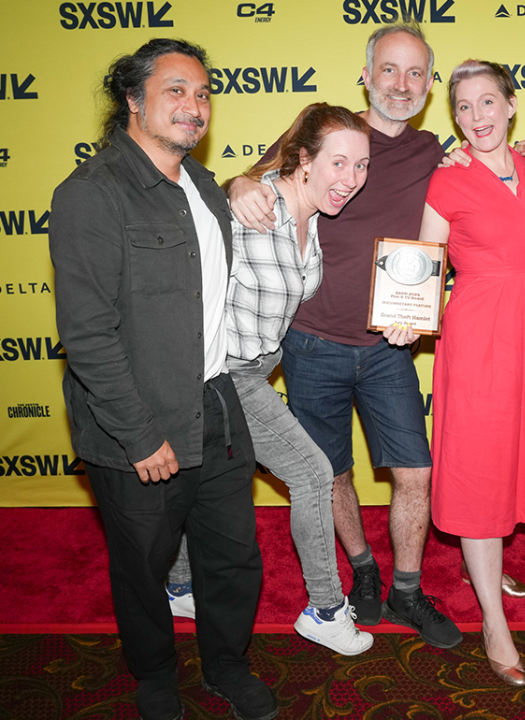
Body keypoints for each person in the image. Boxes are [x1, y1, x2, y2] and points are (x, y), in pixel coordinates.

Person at [49, 39, 277, 720]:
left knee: (233, 558)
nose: (194, 105)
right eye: (176, 90)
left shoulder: (204, 186)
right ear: (132, 100)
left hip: (215, 403)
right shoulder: (90, 195)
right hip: (137, 425)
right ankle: (153, 675)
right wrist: (140, 435)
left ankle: (227, 667)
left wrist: (240, 182)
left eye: (203, 93)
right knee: (144, 567)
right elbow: (87, 335)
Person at [215, 23, 462, 649]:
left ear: (430, 84)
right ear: (366, 73)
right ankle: (363, 574)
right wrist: (236, 183)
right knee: (329, 473)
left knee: (415, 472)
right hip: (309, 343)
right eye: (389, 70)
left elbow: (473, 202)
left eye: (415, 74)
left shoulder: (436, 149)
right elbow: (250, 186)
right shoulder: (324, 132)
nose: (401, 85)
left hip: (388, 347)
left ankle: (407, 588)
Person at [386, 59, 525, 686]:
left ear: (511, 105)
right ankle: (494, 620)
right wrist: (410, 317)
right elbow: (426, 263)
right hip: (478, 335)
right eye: (463, 107)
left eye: (487, 102)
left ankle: (480, 561)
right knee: (478, 469)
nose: (476, 117)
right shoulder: (448, 180)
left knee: (513, 459)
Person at [166, 104, 374, 656]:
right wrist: (240, 183)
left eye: (361, 165)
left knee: (199, 477)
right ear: (303, 159)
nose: (350, 178)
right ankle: (326, 609)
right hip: (223, 373)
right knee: (313, 474)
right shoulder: (255, 205)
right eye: (338, 163)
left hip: (257, 369)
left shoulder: (314, 221)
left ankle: (178, 585)